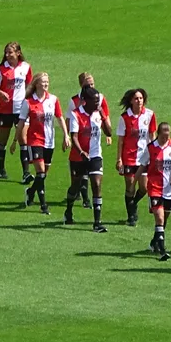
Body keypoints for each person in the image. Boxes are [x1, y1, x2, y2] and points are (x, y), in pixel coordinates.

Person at [64, 86, 111, 232]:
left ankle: (97, 222)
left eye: (99, 100)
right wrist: (81, 152)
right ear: (86, 101)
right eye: (95, 100)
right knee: (76, 186)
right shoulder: (75, 114)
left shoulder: (98, 113)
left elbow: (109, 132)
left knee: (96, 185)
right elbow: (74, 136)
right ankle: (69, 210)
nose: (98, 103)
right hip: (78, 157)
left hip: (96, 154)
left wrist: (103, 115)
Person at [20, 71, 66, 214]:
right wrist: (16, 140)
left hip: (50, 141)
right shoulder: (28, 102)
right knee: (40, 173)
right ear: (37, 84)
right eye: (43, 81)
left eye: (47, 81)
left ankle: (31, 191)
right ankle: (43, 205)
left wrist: (66, 135)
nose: (46, 84)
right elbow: (21, 123)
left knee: (43, 174)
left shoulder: (53, 100)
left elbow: (59, 117)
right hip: (35, 140)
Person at [0, 41, 32, 183]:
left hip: (21, 110)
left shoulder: (26, 67)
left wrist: (29, 103)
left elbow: (29, 86)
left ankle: (26, 172)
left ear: (18, 53)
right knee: (3, 140)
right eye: (6, 53)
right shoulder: (0, 69)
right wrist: (1, 93)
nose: (8, 55)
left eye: (10, 52)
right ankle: (1, 169)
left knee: (23, 139)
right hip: (5, 110)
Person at [116, 87, 155, 227]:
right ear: (131, 101)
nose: (139, 101)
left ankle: (133, 204)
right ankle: (131, 215)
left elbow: (152, 136)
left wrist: (154, 154)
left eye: (141, 98)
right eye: (136, 98)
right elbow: (120, 140)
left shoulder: (150, 115)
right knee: (130, 187)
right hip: (129, 158)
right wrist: (119, 159)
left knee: (144, 188)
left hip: (144, 158)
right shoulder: (125, 117)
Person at [146, 121, 171, 261]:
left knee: (163, 220)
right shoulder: (150, 148)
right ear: (158, 134)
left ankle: (154, 242)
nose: (165, 139)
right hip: (154, 188)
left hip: (169, 190)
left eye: (167, 136)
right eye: (163, 136)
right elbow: (143, 165)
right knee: (160, 218)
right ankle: (162, 250)